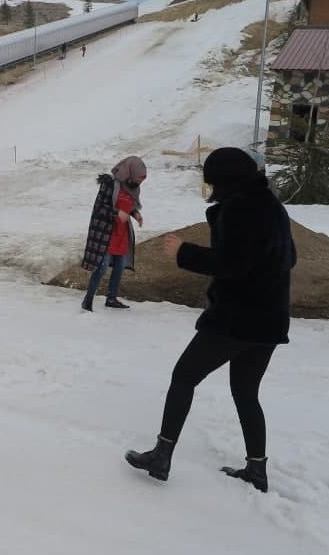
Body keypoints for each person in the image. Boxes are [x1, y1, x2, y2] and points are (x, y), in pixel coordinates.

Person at [125, 147, 296, 493]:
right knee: (246, 392)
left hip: (236, 319)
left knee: (183, 376)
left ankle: (161, 455)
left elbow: (231, 264)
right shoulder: (272, 207)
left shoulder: (240, 209)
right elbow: (288, 257)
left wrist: (182, 252)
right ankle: (257, 470)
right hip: (270, 320)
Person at [80, 156, 146, 312]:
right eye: (139, 178)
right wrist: (116, 214)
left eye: (142, 180)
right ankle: (87, 301)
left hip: (122, 233)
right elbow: (99, 208)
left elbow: (128, 206)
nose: (140, 183)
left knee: (120, 266)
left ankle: (111, 298)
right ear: (130, 172)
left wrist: (135, 214)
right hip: (106, 233)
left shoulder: (133, 188)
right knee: (102, 268)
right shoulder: (109, 184)